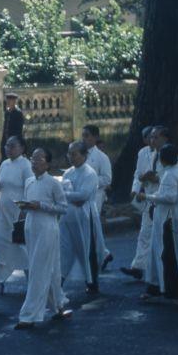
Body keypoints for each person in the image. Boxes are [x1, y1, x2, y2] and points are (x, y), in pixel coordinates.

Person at [15, 148, 71, 330]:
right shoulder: (29, 181)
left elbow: (63, 207)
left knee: (38, 270)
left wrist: (42, 206)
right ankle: (58, 305)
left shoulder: (53, 183)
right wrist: (25, 209)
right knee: (51, 268)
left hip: (47, 229)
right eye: (32, 159)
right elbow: (28, 204)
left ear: (47, 163)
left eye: (39, 159)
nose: (34, 162)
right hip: (31, 227)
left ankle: (29, 315)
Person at [137, 144, 178, 304]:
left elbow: (170, 197)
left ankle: (176, 292)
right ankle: (157, 287)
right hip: (168, 217)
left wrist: (147, 197)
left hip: (169, 219)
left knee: (169, 255)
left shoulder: (170, 175)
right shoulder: (175, 171)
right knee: (159, 253)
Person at [60, 142, 107, 295]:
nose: (71, 157)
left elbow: (83, 196)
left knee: (87, 249)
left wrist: (67, 196)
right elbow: (65, 195)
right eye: (69, 154)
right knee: (65, 249)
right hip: (68, 218)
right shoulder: (67, 173)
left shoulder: (90, 173)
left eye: (74, 154)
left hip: (86, 217)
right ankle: (58, 280)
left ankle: (92, 281)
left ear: (84, 155)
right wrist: (71, 197)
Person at [0, 136, 33, 284]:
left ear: (21, 148)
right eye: (7, 146)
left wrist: (25, 209)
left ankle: (31, 280)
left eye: (12, 146)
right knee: (1, 243)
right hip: (3, 210)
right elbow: (1, 185)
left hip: (18, 211)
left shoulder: (26, 165)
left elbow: (30, 187)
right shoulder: (5, 164)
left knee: (21, 246)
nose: (8, 149)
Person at [123, 126, 162, 281]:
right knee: (144, 234)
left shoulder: (164, 153)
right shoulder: (142, 153)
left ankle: (159, 270)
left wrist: (153, 178)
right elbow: (137, 174)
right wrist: (135, 189)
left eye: (153, 138)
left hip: (160, 196)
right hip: (146, 195)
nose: (151, 141)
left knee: (160, 236)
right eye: (148, 138)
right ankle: (138, 267)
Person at [81, 124, 113, 269]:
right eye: (83, 135)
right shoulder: (79, 154)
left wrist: (91, 182)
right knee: (88, 228)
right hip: (80, 196)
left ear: (95, 137)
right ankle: (104, 254)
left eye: (87, 135)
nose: (84, 139)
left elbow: (107, 179)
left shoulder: (102, 157)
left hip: (96, 196)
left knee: (92, 226)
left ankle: (97, 257)